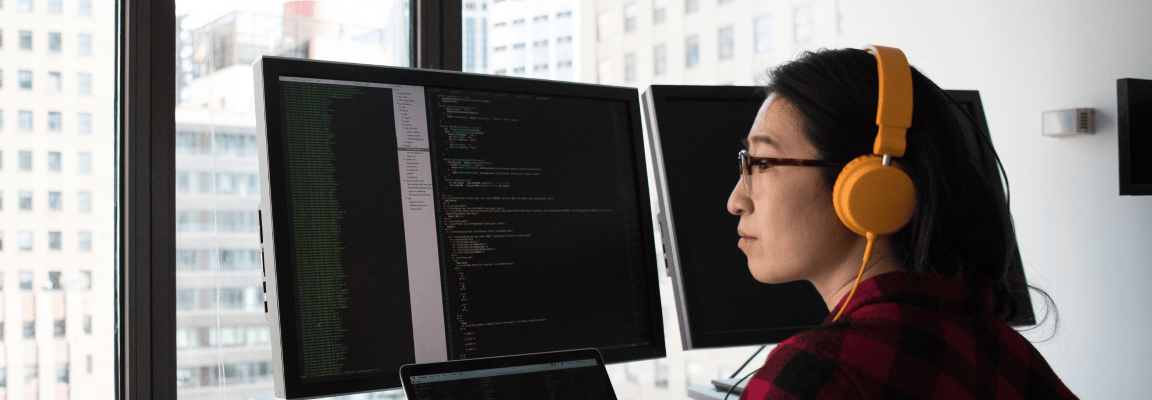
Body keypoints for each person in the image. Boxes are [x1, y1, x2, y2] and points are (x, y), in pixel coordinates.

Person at [726, 47, 1076, 399]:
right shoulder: (1010, 353)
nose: (735, 202)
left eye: (764, 162)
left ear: (871, 185)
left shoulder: (820, 373)